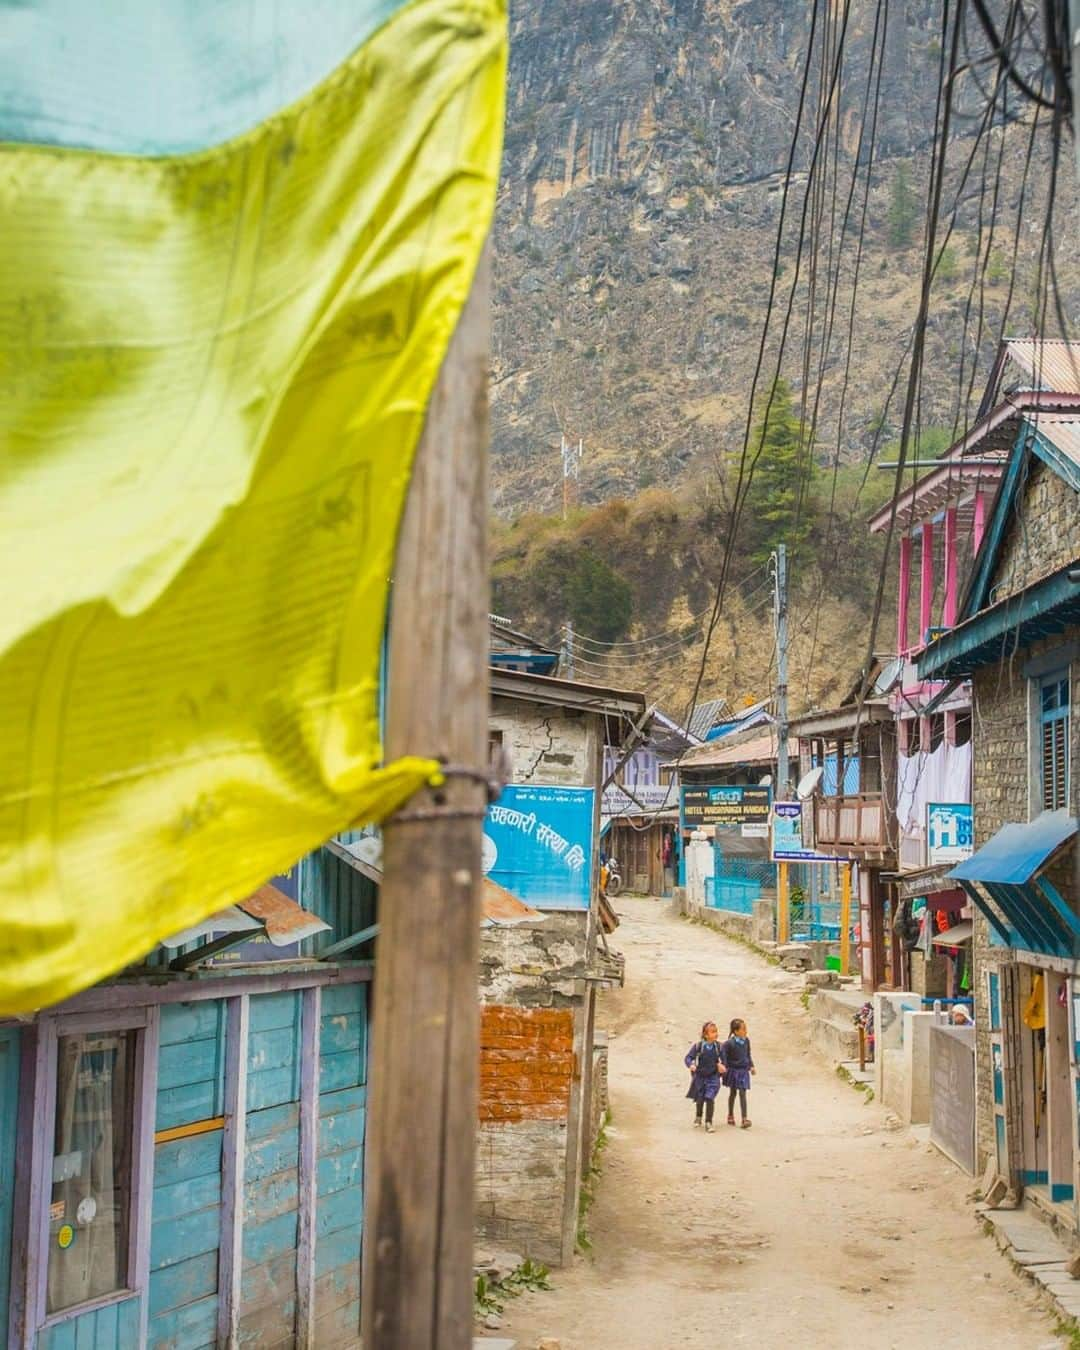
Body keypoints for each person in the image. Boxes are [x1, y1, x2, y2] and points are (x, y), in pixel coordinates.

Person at [684, 1021, 725, 1133]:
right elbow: (688, 1057)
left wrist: (722, 1067)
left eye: (716, 1031)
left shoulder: (719, 1047)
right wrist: (691, 1064)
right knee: (700, 1099)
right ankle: (698, 1116)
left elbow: (725, 1062)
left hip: (713, 1078)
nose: (716, 1034)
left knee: (710, 1098)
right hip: (700, 1077)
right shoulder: (698, 1046)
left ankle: (709, 1122)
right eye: (713, 1032)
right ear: (705, 1035)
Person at [720, 1017, 755, 1128]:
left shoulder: (746, 1041)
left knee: (742, 1093)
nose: (745, 1031)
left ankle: (744, 1119)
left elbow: (748, 1055)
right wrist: (723, 1067)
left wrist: (751, 1066)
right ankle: (730, 1114)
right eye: (743, 1029)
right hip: (734, 1071)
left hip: (743, 1071)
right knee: (733, 1093)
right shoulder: (729, 1044)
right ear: (736, 1031)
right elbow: (723, 1056)